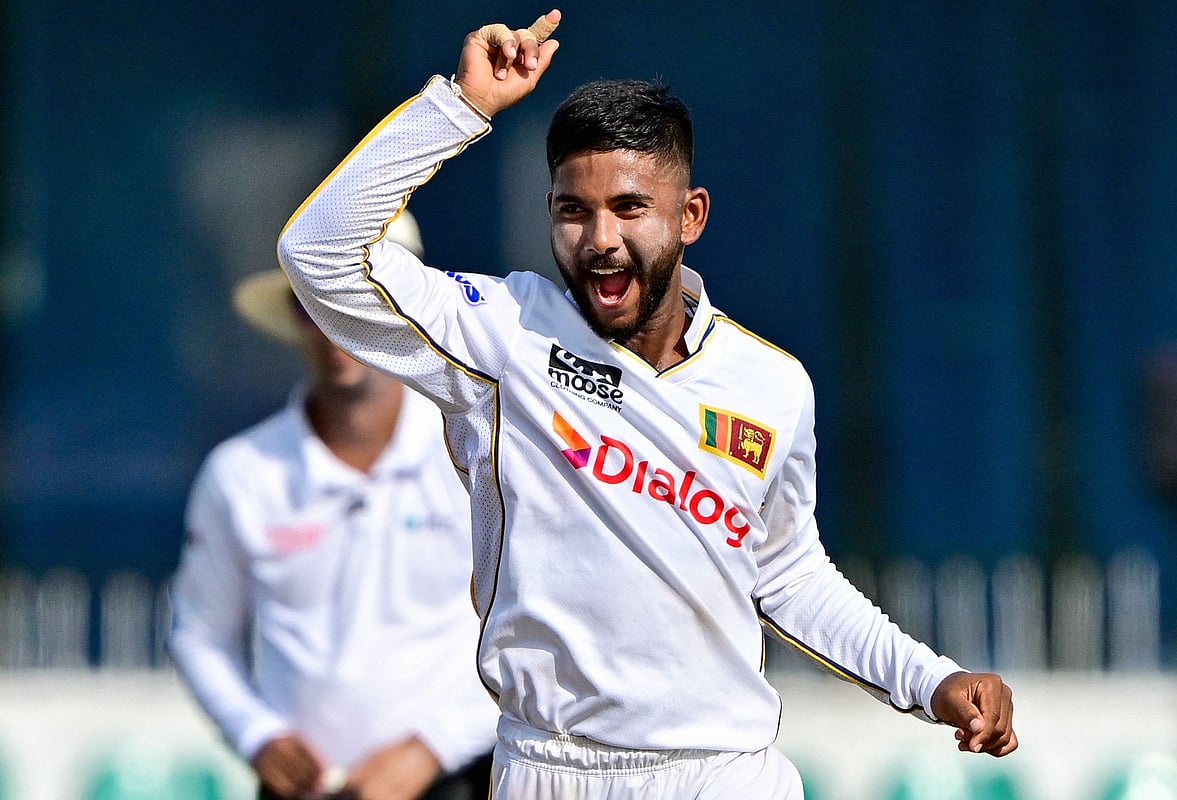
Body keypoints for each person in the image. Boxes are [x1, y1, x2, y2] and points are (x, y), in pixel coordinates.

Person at [276, 11, 1017, 798]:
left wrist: (931, 680)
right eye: (573, 210)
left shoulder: (770, 385)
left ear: (689, 215)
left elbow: (788, 575)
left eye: (630, 207)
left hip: (725, 774)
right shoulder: (502, 335)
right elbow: (315, 251)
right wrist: (462, 104)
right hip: (550, 768)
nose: (600, 238)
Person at [169, 211, 497, 800]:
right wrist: (259, 736)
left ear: (404, 308)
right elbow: (198, 634)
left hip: (457, 781)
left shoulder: (478, 456)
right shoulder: (240, 475)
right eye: (315, 301)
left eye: (360, 298)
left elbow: (535, 636)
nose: (336, 321)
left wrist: (431, 750)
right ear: (295, 316)